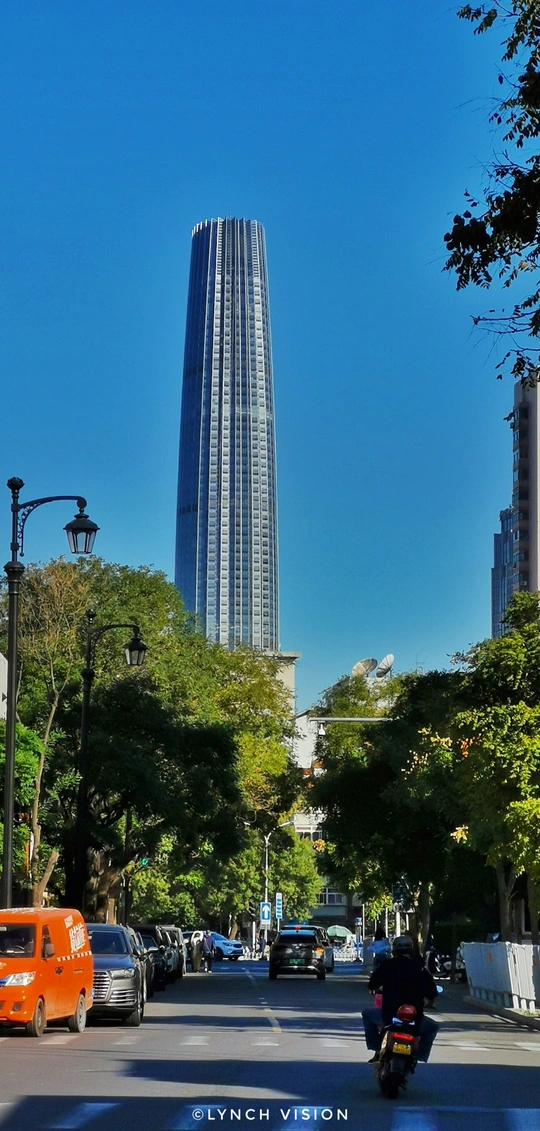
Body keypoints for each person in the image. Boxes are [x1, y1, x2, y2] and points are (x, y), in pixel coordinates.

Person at [362, 935, 440, 1064]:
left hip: (388, 1017)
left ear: (394, 950)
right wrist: (429, 1002)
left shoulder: (387, 965)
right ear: (411, 949)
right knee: (433, 1027)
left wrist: (378, 988)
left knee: (366, 1014)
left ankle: (376, 1048)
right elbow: (432, 992)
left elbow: (372, 984)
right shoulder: (419, 968)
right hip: (415, 1020)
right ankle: (419, 1056)